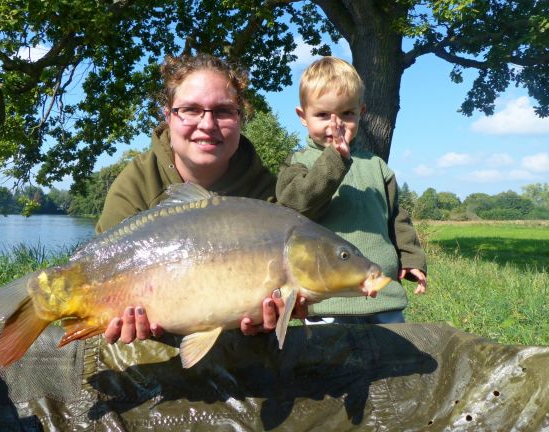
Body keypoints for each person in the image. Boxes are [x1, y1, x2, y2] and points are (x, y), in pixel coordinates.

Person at [96, 53, 307, 343]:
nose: (207, 124)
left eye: (222, 111)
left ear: (240, 119)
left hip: (236, 352)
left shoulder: (264, 197)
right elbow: (99, 270)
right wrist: (115, 321)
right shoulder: (137, 183)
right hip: (151, 344)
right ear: (168, 116)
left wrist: (273, 317)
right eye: (191, 110)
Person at [276, 56, 427, 324]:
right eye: (322, 115)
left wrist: (411, 258)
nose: (336, 125)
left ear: (361, 112)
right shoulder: (298, 163)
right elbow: (293, 205)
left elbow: (396, 217)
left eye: (347, 113)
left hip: (383, 300)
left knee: (395, 364)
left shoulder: (377, 166)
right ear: (302, 116)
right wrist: (335, 160)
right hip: (326, 303)